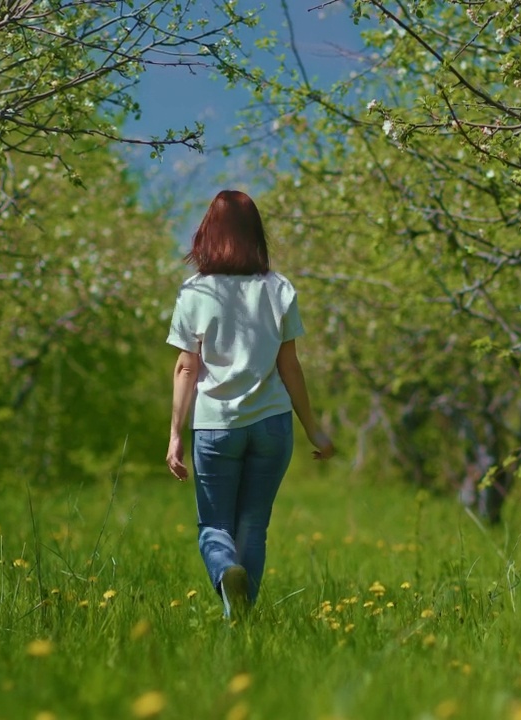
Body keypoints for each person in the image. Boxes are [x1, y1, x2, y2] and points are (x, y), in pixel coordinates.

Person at [165, 189, 335, 619]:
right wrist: (313, 428)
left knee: (214, 526)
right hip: (272, 426)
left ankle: (225, 575)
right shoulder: (278, 289)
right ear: (255, 234)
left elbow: (187, 368)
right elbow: (290, 367)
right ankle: (239, 619)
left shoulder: (195, 292)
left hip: (216, 426)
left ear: (208, 233)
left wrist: (174, 436)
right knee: (253, 526)